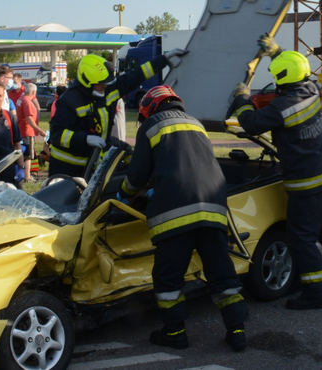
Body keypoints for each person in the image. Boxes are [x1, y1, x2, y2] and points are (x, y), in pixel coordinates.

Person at [118, 85, 248, 351]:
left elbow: (137, 175)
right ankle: (237, 332)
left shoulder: (151, 126)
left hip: (174, 215)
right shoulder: (196, 124)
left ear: (150, 108)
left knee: (167, 279)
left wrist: (121, 197)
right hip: (212, 207)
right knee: (222, 275)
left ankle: (175, 333)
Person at [228, 35, 322, 310]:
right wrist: (277, 52)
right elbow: (292, 68)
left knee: (302, 238)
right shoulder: (310, 89)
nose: (273, 81)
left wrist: (242, 99)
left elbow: (250, 123)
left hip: (306, 183)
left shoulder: (283, 108)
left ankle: (315, 294)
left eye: (275, 77)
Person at [48, 49, 187, 178]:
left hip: (93, 164)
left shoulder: (109, 90)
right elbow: (57, 135)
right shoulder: (69, 101)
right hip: (66, 169)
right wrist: (86, 139)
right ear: (87, 81)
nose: (105, 85)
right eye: (102, 83)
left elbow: (136, 75)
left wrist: (163, 59)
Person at [16, 83, 46, 181]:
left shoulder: (21, 99)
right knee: (28, 154)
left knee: (25, 152)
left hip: (22, 129)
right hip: (27, 131)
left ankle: (25, 173)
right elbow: (28, 118)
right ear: (34, 92)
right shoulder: (27, 102)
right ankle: (27, 176)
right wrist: (39, 130)